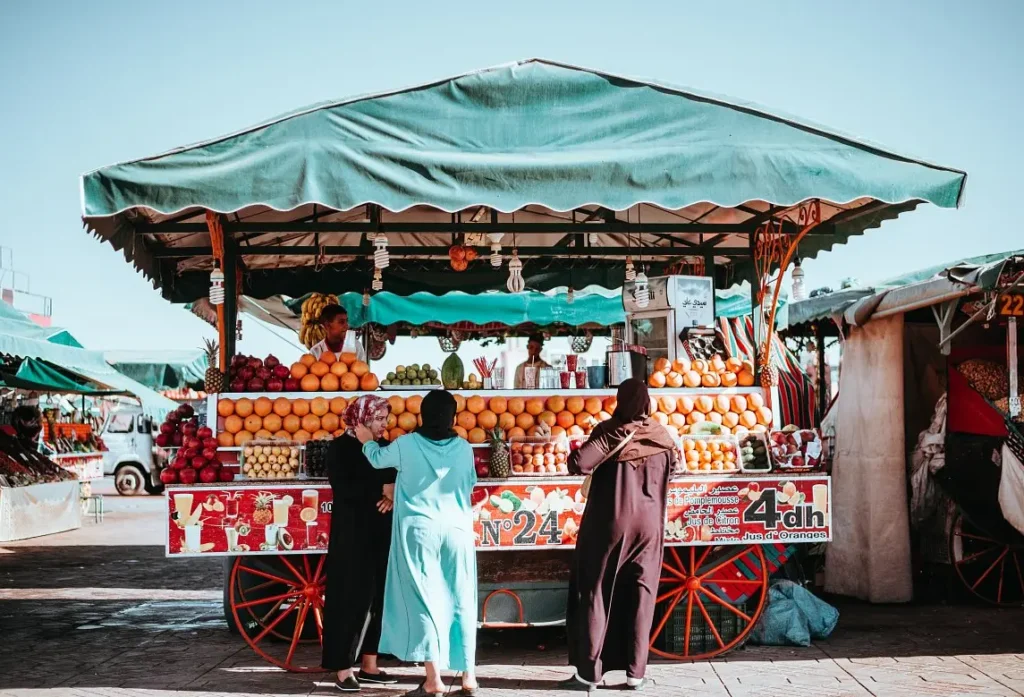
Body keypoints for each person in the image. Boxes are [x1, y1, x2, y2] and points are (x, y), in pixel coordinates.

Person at [356, 390, 478, 697]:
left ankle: (433, 680)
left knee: (425, 599)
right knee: (462, 599)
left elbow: (376, 459)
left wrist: (365, 440)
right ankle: (469, 677)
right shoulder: (463, 448)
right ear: (452, 417)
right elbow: (470, 482)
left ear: (422, 415)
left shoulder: (406, 444)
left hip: (419, 532)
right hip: (458, 531)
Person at [563, 378, 678, 692]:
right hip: (651, 527)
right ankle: (635, 673)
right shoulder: (663, 435)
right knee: (642, 593)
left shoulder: (611, 430)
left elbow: (580, 464)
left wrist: (572, 449)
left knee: (596, 590)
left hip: (610, 525)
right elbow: (674, 469)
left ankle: (589, 674)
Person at [321, 395, 399, 692]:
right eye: (379, 419)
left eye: (385, 419)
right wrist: (382, 489)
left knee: (378, 599)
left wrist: (392, 493)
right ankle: (343, 669)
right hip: (352, 536)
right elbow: (344, 488)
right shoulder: (339, 448)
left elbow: (394, 477)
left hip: (380, 533)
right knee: (349, 600)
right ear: (362, 419)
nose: (384, 424)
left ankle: (369, 664)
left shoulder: (383, 448)